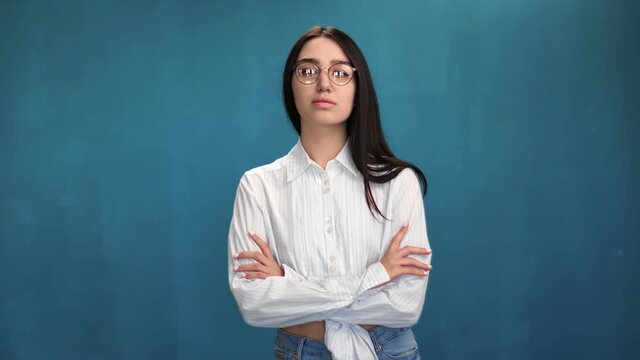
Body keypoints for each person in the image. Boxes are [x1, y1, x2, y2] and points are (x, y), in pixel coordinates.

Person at [227, 25, 433, 360]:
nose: (324, 83)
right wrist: (378, 274)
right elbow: (255, 305)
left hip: (388, 351)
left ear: (358, 87)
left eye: (340, 72)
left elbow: (404, 306)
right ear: (290, 84)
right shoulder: (258, 186)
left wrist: (287, 282)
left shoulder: (397, 181)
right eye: (308, 70)